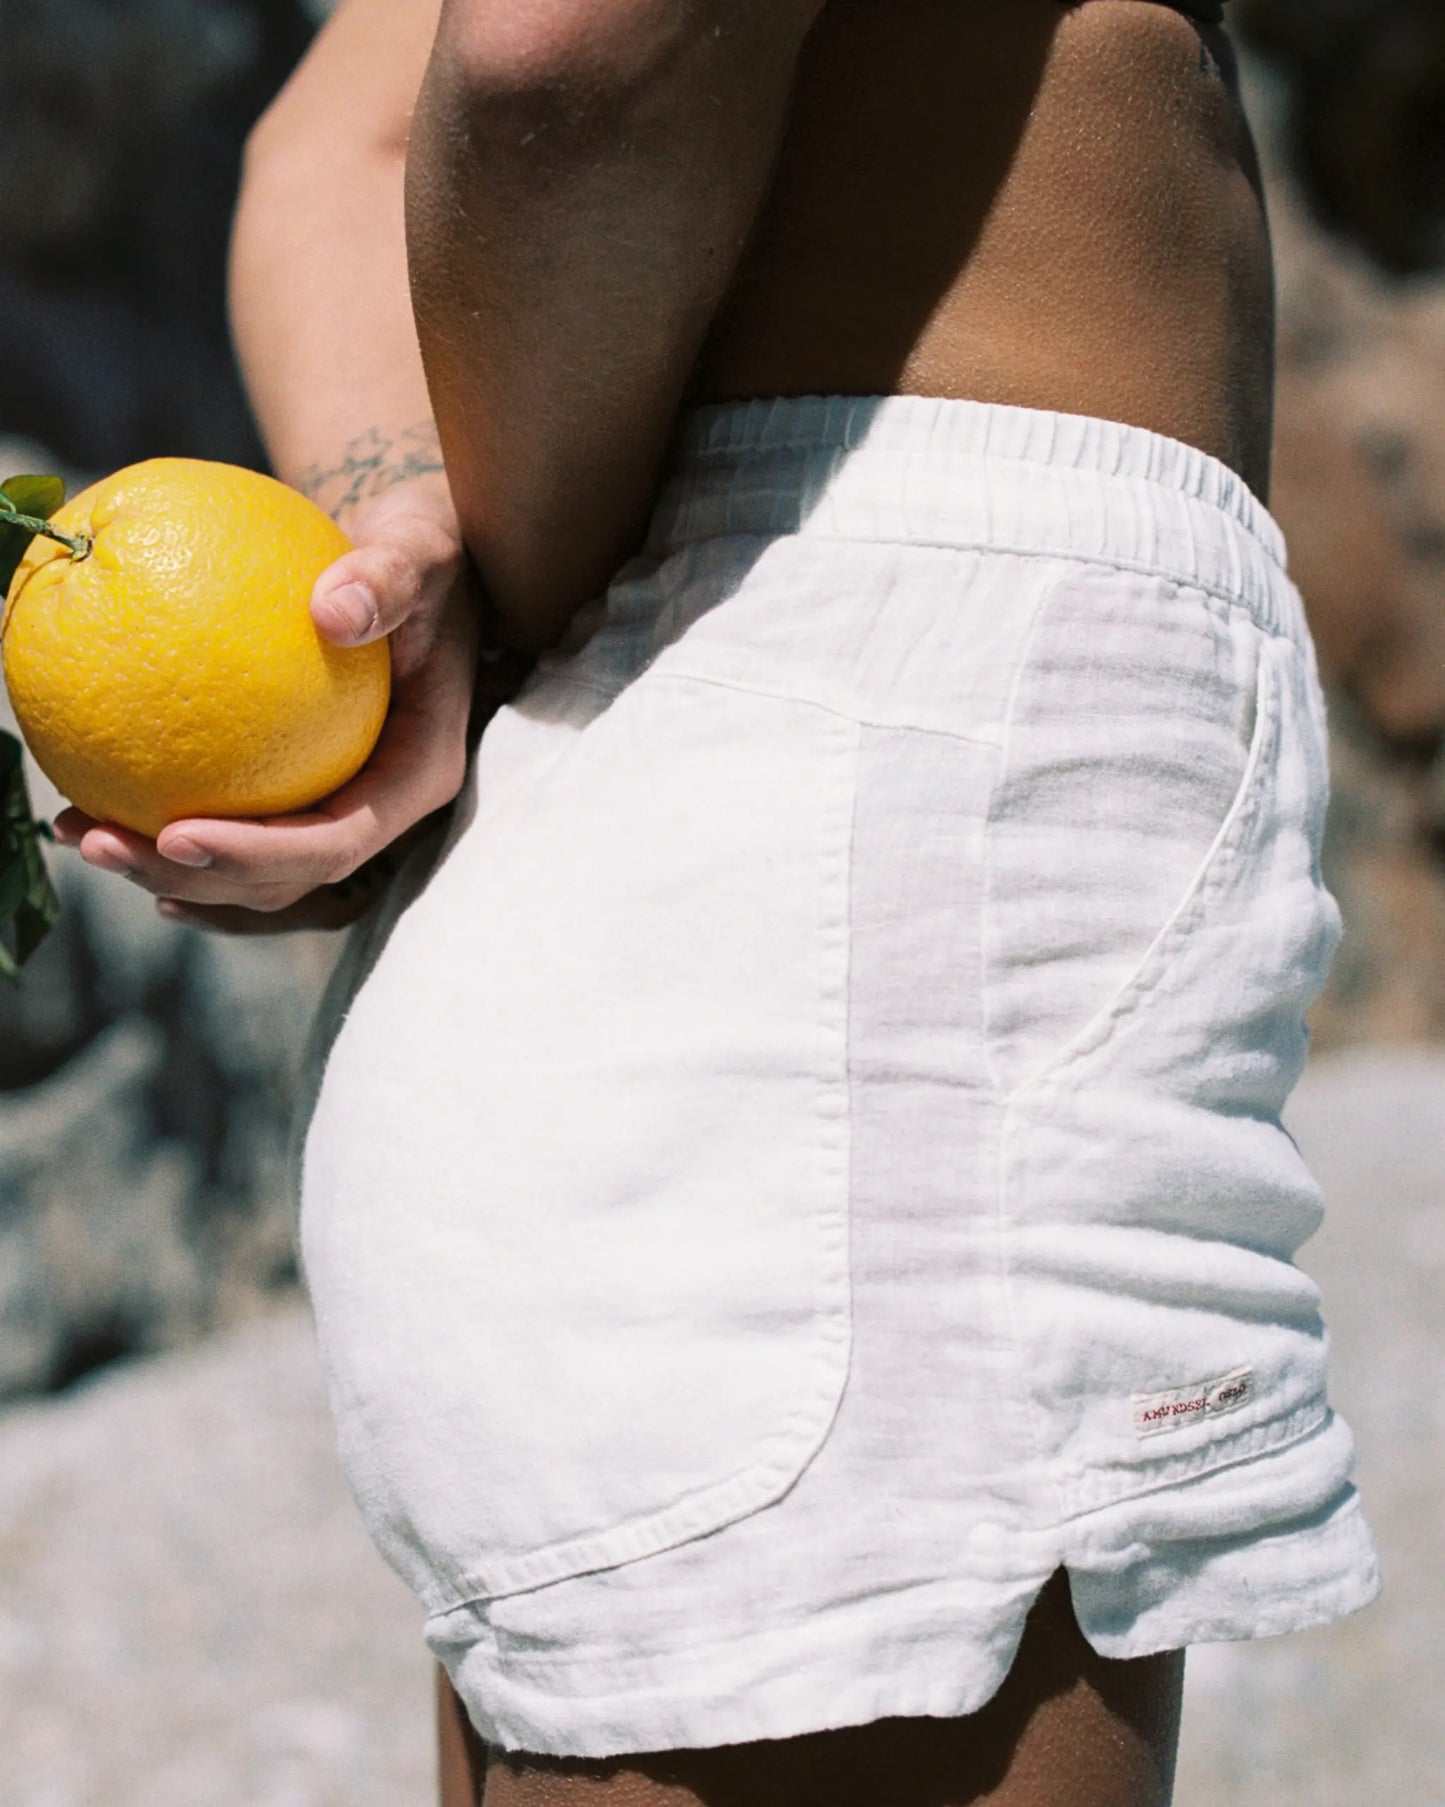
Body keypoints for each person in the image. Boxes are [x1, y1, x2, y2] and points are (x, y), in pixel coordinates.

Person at [55, 2, 1381, 1801]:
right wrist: (501, 595)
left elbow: (338, 137)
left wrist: (423, 589)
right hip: (872, 794)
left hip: (757, 836)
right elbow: (553, 55)